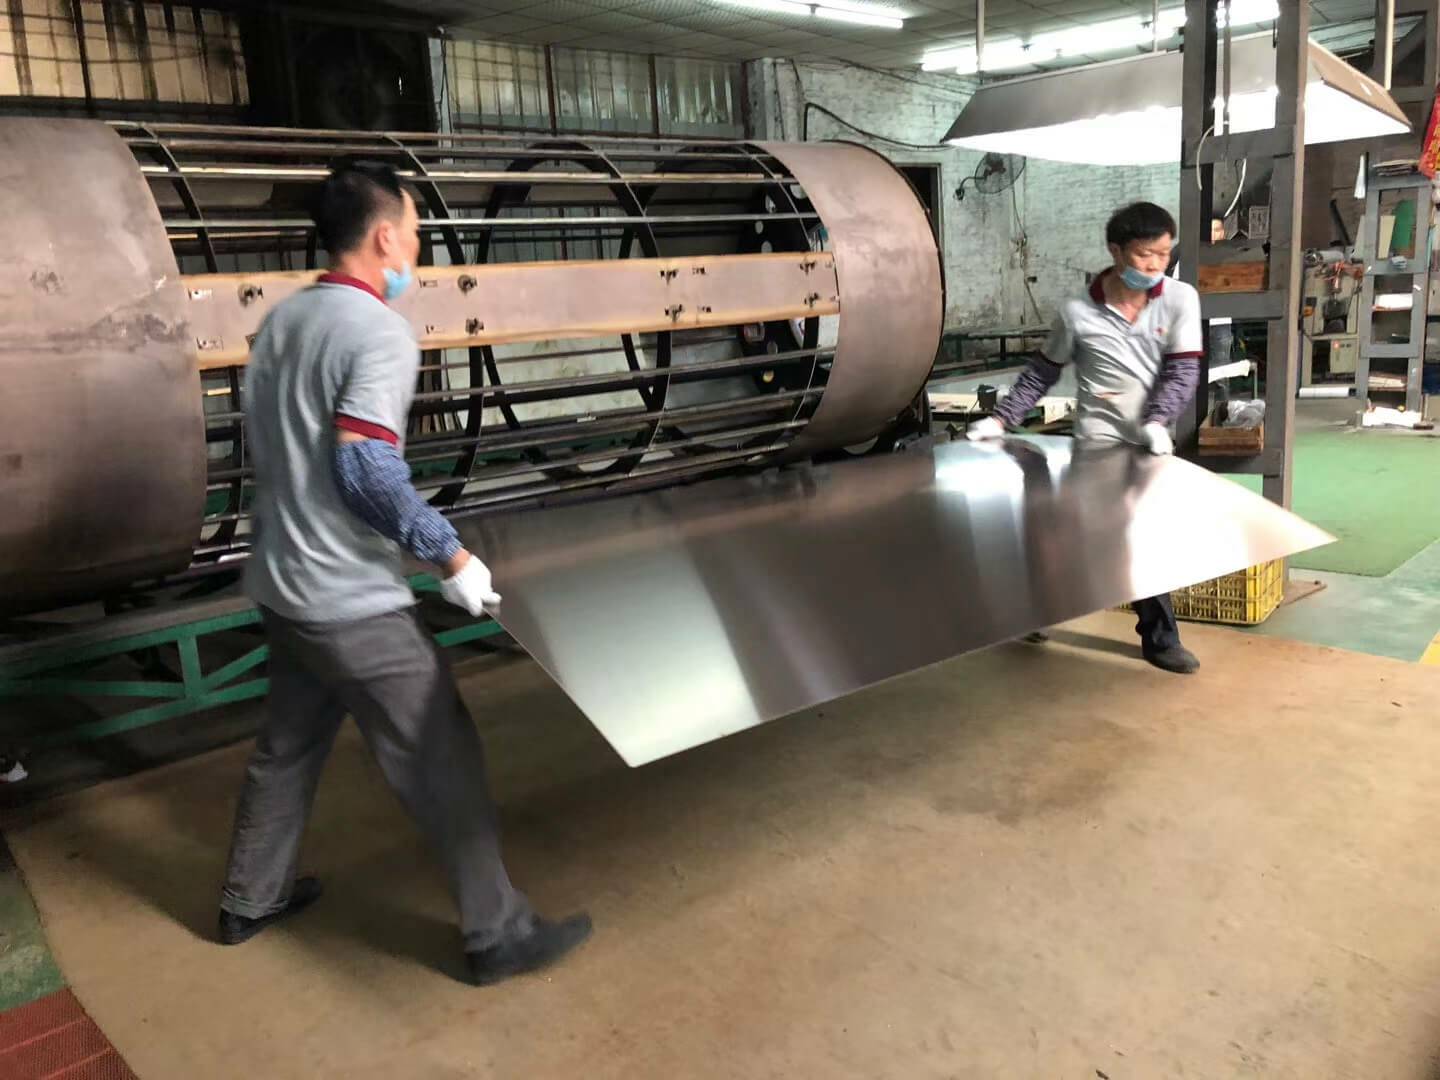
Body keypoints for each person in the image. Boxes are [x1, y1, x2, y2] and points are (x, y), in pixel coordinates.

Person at [218, 161, 591, 985]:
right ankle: (498, 933)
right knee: (438, 751)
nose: (417, 249)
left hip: (282, 583)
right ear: (385, 236)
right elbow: (364, 469)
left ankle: (249, 897)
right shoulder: (377, 331)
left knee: (287, 745)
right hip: (348, 599)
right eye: (416, 233)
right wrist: (449, 554)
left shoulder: (282, 323)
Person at [968, 201, 1204, 675]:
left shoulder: (1180, 298)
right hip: (1096, 443)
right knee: (1071, 535)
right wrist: (1000, 420)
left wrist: (1158, 421)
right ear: (1116, 251)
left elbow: (1183, 370)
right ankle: (1034, 611)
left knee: (1143, 538)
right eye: (1145, 255)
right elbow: (1042, 373)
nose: (1155, 265)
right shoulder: (1077, 312)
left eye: (1163, 253)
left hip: (1151, 443)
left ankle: (1160, 639)